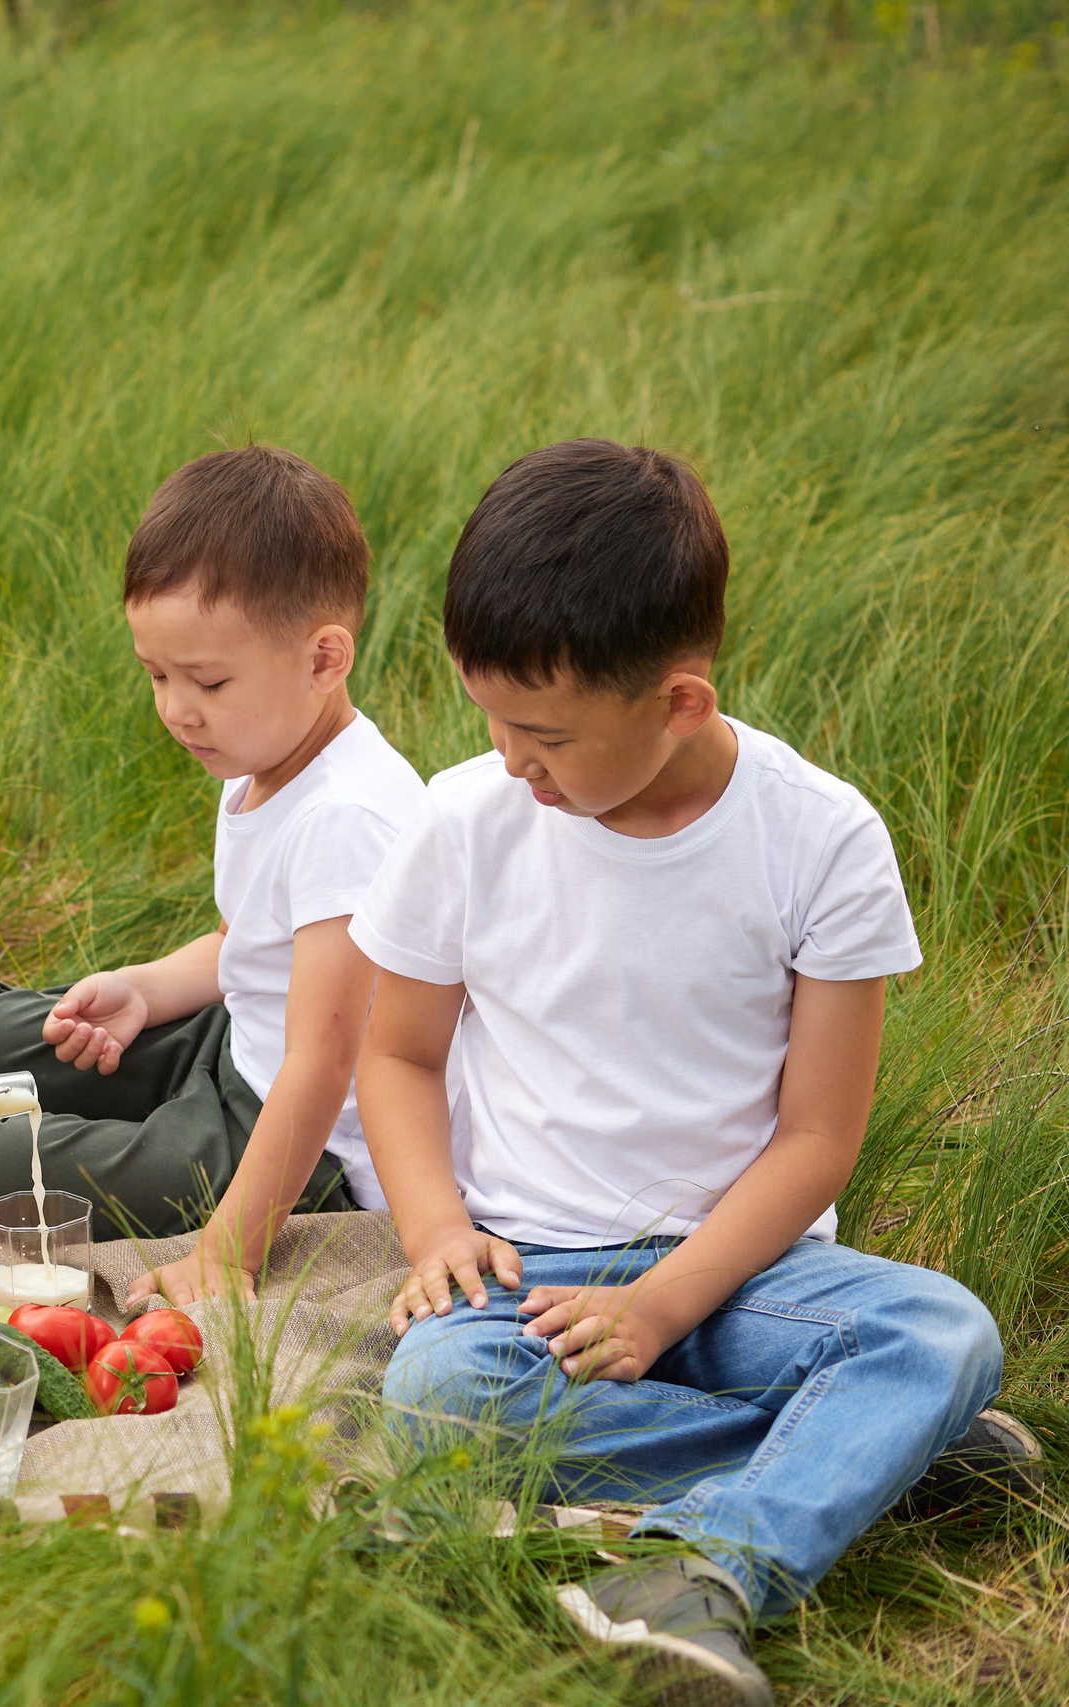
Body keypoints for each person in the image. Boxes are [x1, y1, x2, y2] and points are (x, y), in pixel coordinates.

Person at [354, 440, 1029, 1707]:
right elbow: (394, 1054)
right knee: (438, 1401)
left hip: (747, 1274)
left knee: (942, 1329)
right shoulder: (465, 824)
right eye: (489, 718)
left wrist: (663, 1307)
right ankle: (874, 1462)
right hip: (531, 1280)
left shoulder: (818, 838)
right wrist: (436, 1225)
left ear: (677, 701)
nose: (508, 759)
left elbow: (817, 1141)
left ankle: (694, 1569)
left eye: (543, 734)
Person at [0, 446, 425, 1305]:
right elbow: (252, 944)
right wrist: (145, 990)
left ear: (324, 658)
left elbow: (323, 1057)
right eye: (156, 675)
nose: (175, 708)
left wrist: (226, 1254)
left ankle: (122, 1138)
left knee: (6, 1167)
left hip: (300, 1136)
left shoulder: (346, 819)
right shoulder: (264, 749)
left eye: (206, 680)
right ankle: (110, 1106)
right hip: (235, 1040)